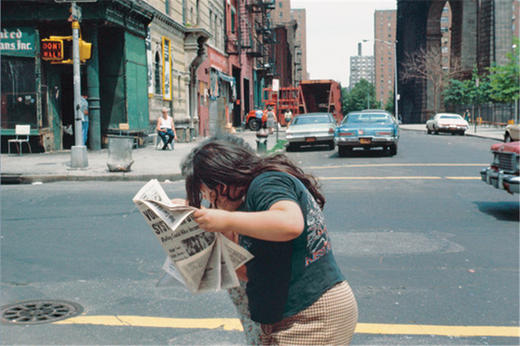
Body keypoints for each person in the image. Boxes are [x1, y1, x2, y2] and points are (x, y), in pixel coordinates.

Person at [180, 136, 358, 345]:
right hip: (292, 314)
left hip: (312, 314)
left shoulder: (266, 183)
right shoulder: (248, 207)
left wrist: (226, 220)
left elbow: (290, 223)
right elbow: (249, 273)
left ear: (222, 182)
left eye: (206, 192)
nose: (209, 200)